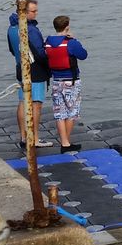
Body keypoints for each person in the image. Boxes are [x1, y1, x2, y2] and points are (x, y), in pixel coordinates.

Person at [6, 0, 51, 148]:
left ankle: (24, 138)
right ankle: (35, 139)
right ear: (24, 12)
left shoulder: (12, 28)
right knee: (36, 104)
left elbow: (12, 50)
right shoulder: (29, 29)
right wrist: (50, 64)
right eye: (33, 11)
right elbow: (40, 53)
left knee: (22, 102)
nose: (36, 14)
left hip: (20, 67)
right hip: (35, 70)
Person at [44, 14, 89, 152]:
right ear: (67, 27)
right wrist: (73, 38)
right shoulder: (71, 43)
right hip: (71, 81)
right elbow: (83, 55)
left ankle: (64, 142)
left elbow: (44, 55)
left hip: (56, 81)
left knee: (60, 113)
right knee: (71, 112)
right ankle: (66, 142)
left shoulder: (48, 42)